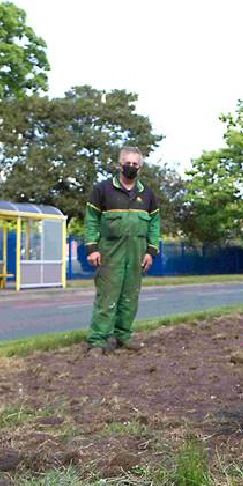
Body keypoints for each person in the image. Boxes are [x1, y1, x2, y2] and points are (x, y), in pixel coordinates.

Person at [84, 146, 161, 354]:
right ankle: (98, 341)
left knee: (130, 297)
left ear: (141, 167)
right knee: (107, 297)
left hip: (137, 254)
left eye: (135, 164)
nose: (131, 167)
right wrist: (92, 248)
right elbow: (91, 220)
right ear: (120, 164)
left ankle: (123, 336)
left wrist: (150, 252)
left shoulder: (148, 195)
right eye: (128, 163)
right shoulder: (103, 190)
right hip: (110, 253)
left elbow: (154, 225)